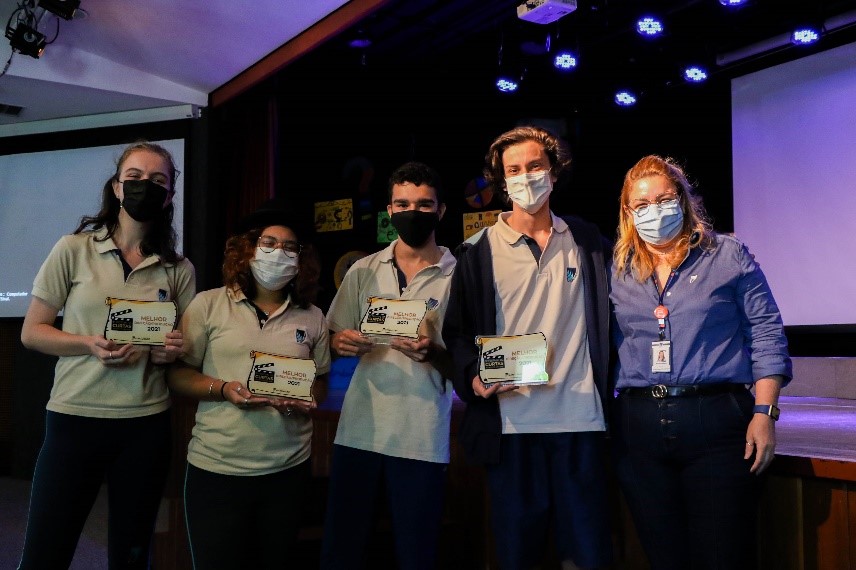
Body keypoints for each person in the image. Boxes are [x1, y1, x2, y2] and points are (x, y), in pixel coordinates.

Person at [442, 125, 614, 570]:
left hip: (581, 423)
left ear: (554, 172)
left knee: (589, 556)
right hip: (511, 428)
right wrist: (473, 378)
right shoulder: (476, 252)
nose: (526, 177)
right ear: (502, 180)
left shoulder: (588, 242)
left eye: (535, 166)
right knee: (518, 556)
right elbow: (456, 335)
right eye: (514, 170)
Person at [609, 154, 792, 570]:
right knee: (664, 557)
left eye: (664, 199)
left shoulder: (728, 255)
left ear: (683, 199)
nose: (654, 211)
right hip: (639, 427)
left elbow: (766, 332)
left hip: (716, 421)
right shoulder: (617, 269)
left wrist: (765, 412)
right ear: (628, 212)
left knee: (722, 555)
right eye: (642, 204)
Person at [18, 141, 195, 569]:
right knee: (45, 551)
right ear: (116, 187)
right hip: (74, 418)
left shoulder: (178, 268)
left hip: (145, 425)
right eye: (134, 177)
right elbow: (32, 332)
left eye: (157, 180)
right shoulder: (73, 249)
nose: (145, 186)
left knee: (132, 554)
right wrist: (88, 344)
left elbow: (180, 349)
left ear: (169, 195)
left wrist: (169, 352)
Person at [167, 199, 330, 570]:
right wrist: (223, 389)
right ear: (248, 250)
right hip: (217, 467)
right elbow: (178, 374)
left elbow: (318, 381)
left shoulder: (313, 316)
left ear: (301, 259)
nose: (279, 253)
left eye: (290, 247)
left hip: (287, 470)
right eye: (268, 243)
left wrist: (303, 400)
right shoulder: (208, 304)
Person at [320, 161, 457, 570]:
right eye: (403, 204)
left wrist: (433, 353)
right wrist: (341, 342)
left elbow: (469, 363)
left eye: (424, 204)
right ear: (389, 210)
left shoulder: (459, 274)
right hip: (360, 430)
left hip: (422, 434)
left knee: (416, 553)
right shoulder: (363, 270)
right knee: (343, 551)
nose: (413, 212)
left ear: (441, 210)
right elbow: (330, 340)